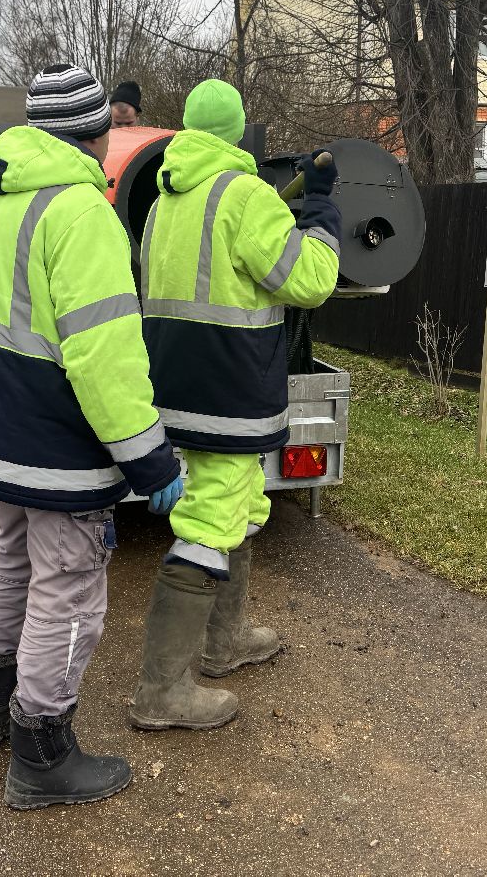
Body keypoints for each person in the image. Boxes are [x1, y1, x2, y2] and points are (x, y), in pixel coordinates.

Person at [0, 63, 184, 808]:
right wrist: (150, 458)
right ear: (100, 134)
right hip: (57, 447)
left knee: (12, 559)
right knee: (70, 590)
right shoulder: (82, 214)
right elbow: (104, 356)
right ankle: (42, 755)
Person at [129, 79, 341, 730]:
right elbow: (310, 280)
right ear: (238, 131)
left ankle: (227, 640)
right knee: (210, 523)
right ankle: (162, 692)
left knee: (244, 506)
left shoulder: (164, 201)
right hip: (229, 391)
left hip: (175, 387)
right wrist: (321, 209)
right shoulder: (244, 197)